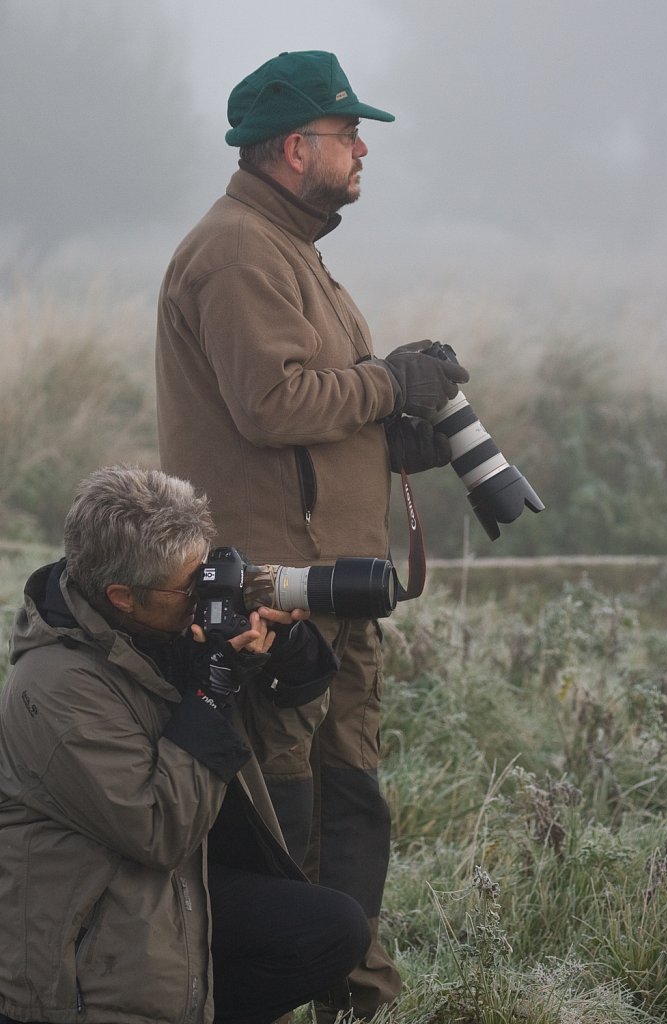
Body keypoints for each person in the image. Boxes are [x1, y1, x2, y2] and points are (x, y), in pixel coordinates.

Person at [156, 50, 469, 1021]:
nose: (361, 147)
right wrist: (389, 385)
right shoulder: (238, 251)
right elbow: (270, 403)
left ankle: (353, 989)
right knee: (288, 811)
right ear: (296, 147)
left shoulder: (290, 247)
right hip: (274, 602)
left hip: (336, 588)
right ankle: (297, 989)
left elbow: (313, 418)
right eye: (347, 134)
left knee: (350, 800)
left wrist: (391, 434)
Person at [0, 465, 371, 1024]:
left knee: (331, 929)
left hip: (167, 875)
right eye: (190, 585)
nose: (208, 594)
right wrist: (211, 689)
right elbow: (157, 829)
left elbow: (255, 749)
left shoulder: (160, 630)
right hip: (88, 918)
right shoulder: (56, 685)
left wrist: (288, 660)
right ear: (122, 595)